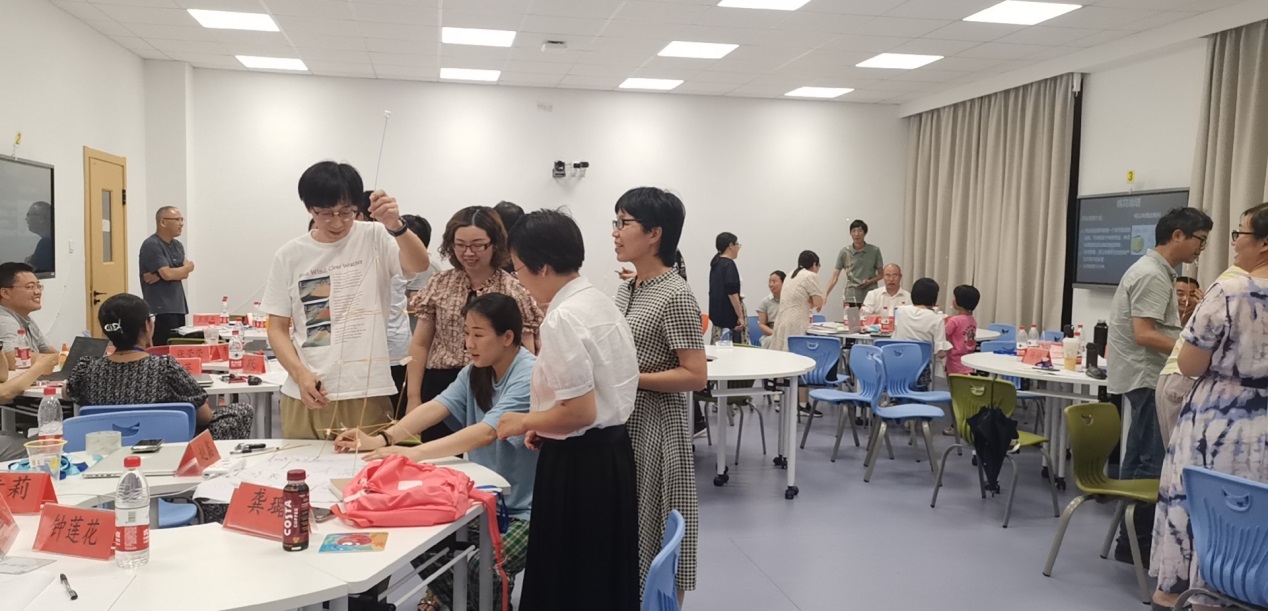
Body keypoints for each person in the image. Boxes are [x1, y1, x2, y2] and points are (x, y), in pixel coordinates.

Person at [335, 293, 535, 611]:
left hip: (527, 510)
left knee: (485, 565)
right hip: (482, 502)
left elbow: (487, 432)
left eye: (478, 334)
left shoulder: (528, 373)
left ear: (507, 337)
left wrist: (414, 453)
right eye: (466, 333)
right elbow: (436, 407)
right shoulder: (476, 371)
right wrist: (382, 438)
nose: (469, 343)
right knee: (420, 543)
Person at [495, 209, 641, 611]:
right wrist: (546, 425)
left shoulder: (563, 317)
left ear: (541, 266)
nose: (518, 279)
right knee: (600, 573)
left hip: (579, 466)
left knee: (570, 578)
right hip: (610, 455)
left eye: (518, 268)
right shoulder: (599, 301)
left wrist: (524, 420)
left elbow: (579, 413)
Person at [1150, 203, 1268, 611]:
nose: (1235, 244)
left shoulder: (1230, 290)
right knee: (1253, 522)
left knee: (1201, 514)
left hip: (1217, 423)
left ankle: (1191, 595)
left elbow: (1189, 363)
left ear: (1264, 243)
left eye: (1241, 234)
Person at [261, 161, 429, 440]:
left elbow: (419, 264)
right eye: (326, 213)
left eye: (346, 211)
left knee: (363, 467)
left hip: (366, 391)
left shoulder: (375, 236)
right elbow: (276, 328)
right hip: (306, 391)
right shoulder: (290, 255)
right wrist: (300, 374)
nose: (337, 222)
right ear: (309, 209)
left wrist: (396, 226)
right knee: (300, 465)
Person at [611, 187, 707, 604]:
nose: (615, 232)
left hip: (657, 429)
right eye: (615, 222)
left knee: (656, 528)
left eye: (624, 223)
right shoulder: (627, 288)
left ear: (654, 234)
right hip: (624, 424)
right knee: (630, 528)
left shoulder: (675, 294)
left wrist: (629, 379)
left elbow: (695, 375)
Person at [1107, 206, 1211, 564]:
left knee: (1138, 456)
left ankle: (1127, 541)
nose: (1201, 248)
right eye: (1200, 240)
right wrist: (1193, 350)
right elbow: (1145, 334)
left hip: (1143, 376)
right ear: (1178, 235)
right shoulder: (1152, 274)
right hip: (1148, 376)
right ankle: (1138, 544)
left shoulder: (1153, 271)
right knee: (1150, 463)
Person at [407, 206, 542, 442]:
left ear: (495, 244)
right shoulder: (439, 283)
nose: (468, 253)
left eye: (478, 245)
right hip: (441, 384)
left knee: (484, 449)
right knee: (436, 455)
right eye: (460, 245)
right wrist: (413, 397)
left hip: (492, 386)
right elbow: (420, 344)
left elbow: (526, 352)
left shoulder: (514, 289)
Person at [64, 293, 252, 439]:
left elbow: (67, 392)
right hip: (164, 445)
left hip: (105, 445)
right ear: (147, 326)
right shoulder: (165, 367)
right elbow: (204, 417)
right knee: (240, 411)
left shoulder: (88, 369)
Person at [1155, 266, 1244, 439]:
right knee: (1185, 453)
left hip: (1175, 376)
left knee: (1175, 451)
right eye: (1180, 294)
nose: (1185, 300)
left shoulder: (1231, 281)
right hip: (1187, 379)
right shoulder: (1237, 284)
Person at [139, 206, 194, 346]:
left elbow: (187, 270)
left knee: (178, 347)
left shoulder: (177, 245)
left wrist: (161, 274)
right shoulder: (152, 245)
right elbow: (168, 274)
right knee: (164, 348)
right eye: (177, 220)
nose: (181, 223)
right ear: (163, 222)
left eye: (182, 219)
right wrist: (169, 273)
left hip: (178, 306)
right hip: (161, 308)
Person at [893, 278, 953, 392]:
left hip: (897, 366)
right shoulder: (936, 319)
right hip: (920, 372)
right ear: (934, 298)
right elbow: (941, 354)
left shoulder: (900, 311)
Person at [0, 262, 55, 370]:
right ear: (5, 293)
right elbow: (13, 359)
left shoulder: (26, 319)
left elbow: (47, 350)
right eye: (30, 287)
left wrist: (65, 356)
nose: (37, 292)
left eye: (38, 286)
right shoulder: (4, 321)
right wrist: (63, 357)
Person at [770, 251, 824, 353]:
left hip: (781, 320)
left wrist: (809, 300)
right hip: (795, 322)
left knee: (782, 355)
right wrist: (813, 300)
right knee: (795, 356)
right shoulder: (810, 275)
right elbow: (818, 302)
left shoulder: (790, 274)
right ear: (814, 264)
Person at [825, 220, 884, 310]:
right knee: (851, 318)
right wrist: (825, 294)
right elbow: (834, 277)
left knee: (869, 318)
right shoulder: (845, 252)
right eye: (853, 231)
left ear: (865, 233)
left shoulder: (874, 250)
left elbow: (881, 274)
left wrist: (869, 281)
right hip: (851, 295)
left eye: (860, 231)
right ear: (850, 233)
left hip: (870, 294)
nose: (856, 234)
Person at [708, 232, 746, 344]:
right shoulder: (729, 264)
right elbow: (732, 293)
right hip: (730, 319)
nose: (738, 248)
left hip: (718, 318)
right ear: (731, 246)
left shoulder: (716, 264)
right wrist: (740, 316)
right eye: (737, 244)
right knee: (734, 348)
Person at [944, 284, 979, 376]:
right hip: (968, 359)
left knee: (953, 382)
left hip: (955, 360)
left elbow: (944, 333)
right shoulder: (972, 319)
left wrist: (945, 322)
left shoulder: (955, 320)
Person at [756, 270, 785, 347]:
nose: (771, 284)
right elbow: (762, 324)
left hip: (787, 332)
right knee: (775, 341)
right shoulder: (765, 302)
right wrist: (775, 334)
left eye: (774, 282)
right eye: (770, 282)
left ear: (784, 283)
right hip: (771, 335)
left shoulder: (790, 300)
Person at [24, 201, 53, 274]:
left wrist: (29, 262)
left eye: (29, 215)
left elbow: (30, 273)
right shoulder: (51, 240)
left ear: (41, 219)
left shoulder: (46, 242)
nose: (26, 219)